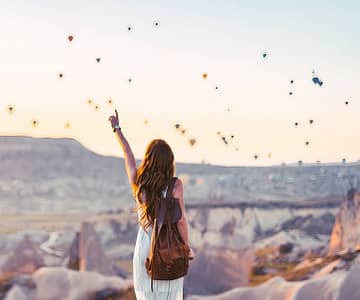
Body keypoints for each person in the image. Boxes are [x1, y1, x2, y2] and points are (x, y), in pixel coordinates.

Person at [108, 109, 195, 300]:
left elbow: (127, 153)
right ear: (169, 162)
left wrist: (117, 129)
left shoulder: (138, 181)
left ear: (148, 159)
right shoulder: (175, 185)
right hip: (169, 248)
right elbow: (181, 221)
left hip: (145, 247)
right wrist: (186, 248)